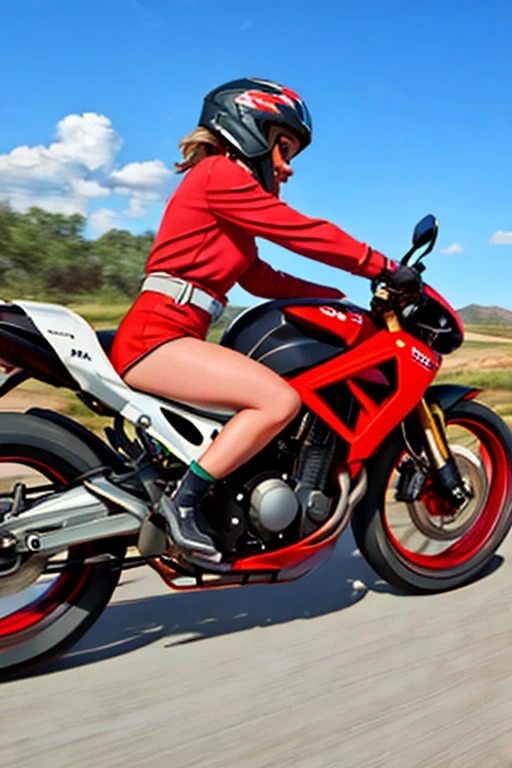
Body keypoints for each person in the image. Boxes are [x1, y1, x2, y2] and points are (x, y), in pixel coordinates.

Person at [110, 77, 403, 562]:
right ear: (248, 128)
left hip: (171, 333)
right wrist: (382, 265)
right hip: (156, 336)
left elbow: (261, 278)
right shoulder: (220, 174)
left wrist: (335, 296)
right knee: (277, 400)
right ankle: (183, 506)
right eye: (283, 148)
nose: (287, 169)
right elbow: (299, 231)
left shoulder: (219, 195)